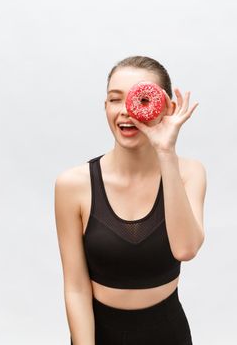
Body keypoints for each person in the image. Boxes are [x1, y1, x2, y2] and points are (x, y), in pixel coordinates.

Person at [54, 55, 207, 345]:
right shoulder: (73, 185)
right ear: (105, 107)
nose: (126, 111)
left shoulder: (190, 173)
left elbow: (186, 249)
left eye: (140, 99)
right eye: (114, 99)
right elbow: (75, 287)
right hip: (100, 334)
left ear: (167, 108)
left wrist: (166, 153)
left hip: (168, 333)